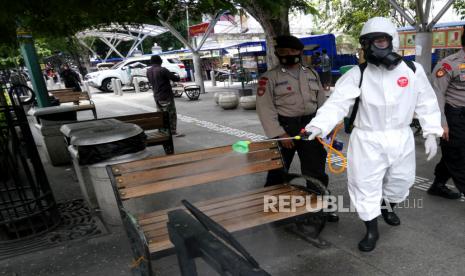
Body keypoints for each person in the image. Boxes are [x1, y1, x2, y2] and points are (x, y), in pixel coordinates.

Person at [305, 17, 443, 252]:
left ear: (392, 42)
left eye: (380, 41)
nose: (373, 48)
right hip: (367, 139)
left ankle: (387, 206)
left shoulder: (412, 70)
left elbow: (427, 103)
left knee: (402, 181)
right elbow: (337, 104)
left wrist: (431, 132)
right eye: (368, 43)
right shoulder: (357, 74)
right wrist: (318, 125)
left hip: (401, 137)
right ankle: (371, 229)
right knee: (364, 185)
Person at [256, 35, 338, 222]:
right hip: (284, 127)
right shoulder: (269, 78)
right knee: (277, 170)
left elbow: (321, 103)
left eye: (292, 51)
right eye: (283, 52)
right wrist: (279, 134)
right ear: (277, 53)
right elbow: (265, 108)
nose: (288, 55)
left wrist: (324, 126)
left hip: (310, 126)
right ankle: (273, 209)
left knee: (315, 169)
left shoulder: (311, 73)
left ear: (300, 52)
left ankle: (321, 207)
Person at [428, 28, 465, 199]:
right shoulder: (449, 64)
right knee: (457, 154)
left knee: (453, 152)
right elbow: (436, 95)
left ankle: (438, 184)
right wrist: (442, 123)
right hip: (453, 114)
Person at [146, 55, 182, 136]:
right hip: (166, 96)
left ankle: (162, 130)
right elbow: (175, 78)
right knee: (171, 113)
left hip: (157, 96)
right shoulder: (162, 70)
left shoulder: (148, 71)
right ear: (160, 61)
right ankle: (172, 130)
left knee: (161, 114)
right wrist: (178, 76)